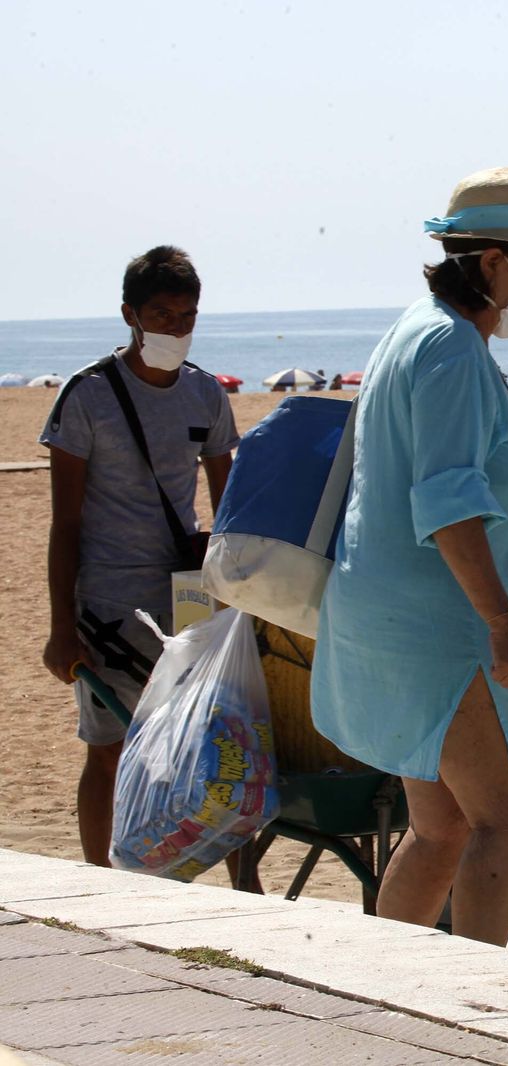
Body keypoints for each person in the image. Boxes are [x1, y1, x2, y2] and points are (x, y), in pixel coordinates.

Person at [310, 167, 508, 946]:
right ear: (491, 261)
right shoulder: (452, 349)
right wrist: (502, 627)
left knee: (443, 826)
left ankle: (381, 987)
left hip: (382, 611)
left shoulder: (413, 328)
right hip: (440, 627)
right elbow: (449, 503)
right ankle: (472, 1009)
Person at [39, 246, 247, 879]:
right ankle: (100, 883)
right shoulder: (88, 396)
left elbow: (229, 507)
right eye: (162, 314)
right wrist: (60, 627)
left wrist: (234, 600)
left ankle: (246, 885)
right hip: (105, 605)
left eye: (187, 316)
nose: (176, 329)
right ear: (130, 314)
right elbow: (65, 522)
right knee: (108, 750)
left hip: (186, 600)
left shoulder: (206, 394)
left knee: (218, 747)